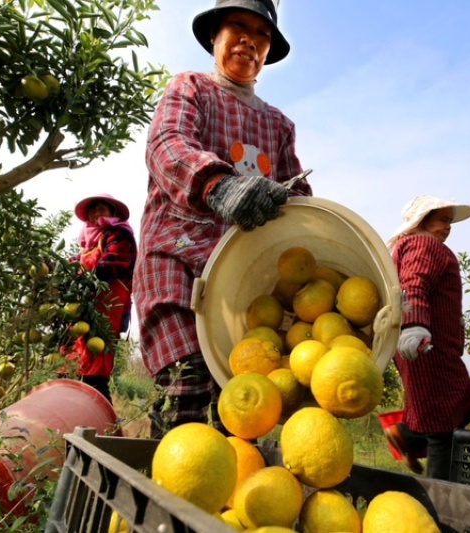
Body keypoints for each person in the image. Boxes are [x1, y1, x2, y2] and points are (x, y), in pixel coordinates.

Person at [133, 0, 312, 438]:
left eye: (262, 34)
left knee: (241, 411)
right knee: (185, 392)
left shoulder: (278, 125)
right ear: (214, 35)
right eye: (238, 26)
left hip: (242, 284)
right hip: (178, 263)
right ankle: (166, 495)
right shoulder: (190, 88)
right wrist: (218, 185)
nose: (250, 40)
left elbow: (297, 196)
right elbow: (166, 145)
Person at [383, 195, 470, 480]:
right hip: (426, 346)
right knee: (442, 430)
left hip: (433, 348)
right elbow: (414, 283)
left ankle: (403, 436)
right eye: (443, 220)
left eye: (450, 221)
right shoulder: (424, 244)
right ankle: (440, 502)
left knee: (469, 402)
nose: (448, 227)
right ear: (423, 220)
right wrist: (414, 325)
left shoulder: (417, 246)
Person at [63, 193, 137, 404]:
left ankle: (103, 425)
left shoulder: (119, 236)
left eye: (102, 208)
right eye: (92, 210)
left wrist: (80, 279)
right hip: (83, 312)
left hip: (106, 311)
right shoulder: (87, 246)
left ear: (113, 212)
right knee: (73, 362)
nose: (96, 213)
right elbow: (72, 265)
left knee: (95, 367)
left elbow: (110, 265)